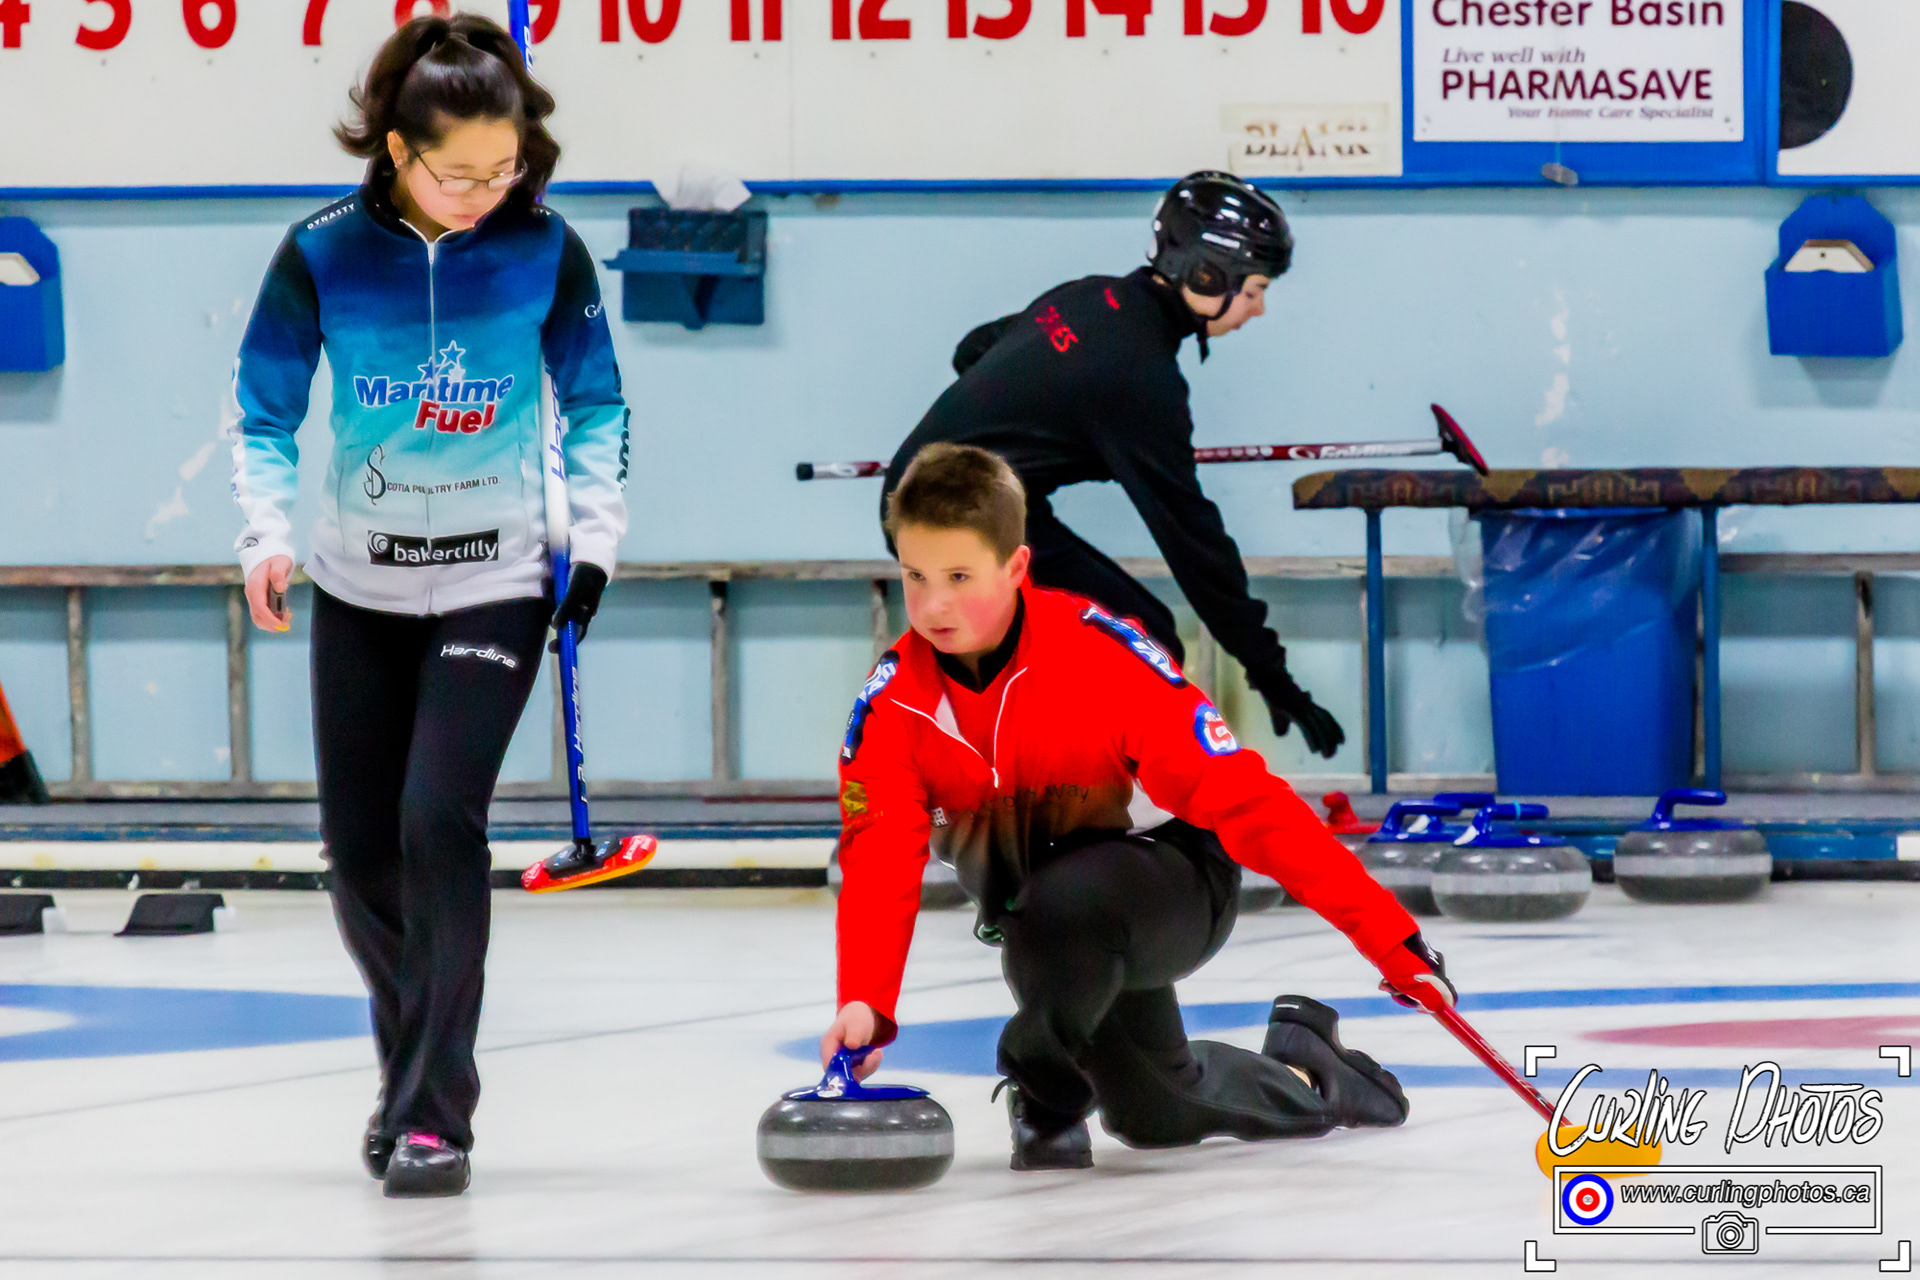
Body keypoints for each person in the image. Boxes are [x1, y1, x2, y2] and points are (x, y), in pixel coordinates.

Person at [226, 13, 628, 1198]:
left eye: (505, 170)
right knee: (358, 854)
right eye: (459, 173)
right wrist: (265, 534)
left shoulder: (547, 250)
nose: (483, 193)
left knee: (435, 818)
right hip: (360, 585)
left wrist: (592, 546)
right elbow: (262, 411)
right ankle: (411, 1074)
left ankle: (435, 1114)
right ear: (397, 146)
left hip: (495, 579)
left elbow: (597, 404)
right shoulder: (321, 254)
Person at [823, 443, 1456, 1169]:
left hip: (1175, 882)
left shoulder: (1097, 657)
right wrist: (865, 1001)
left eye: (959, 577)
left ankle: (1041, 1077)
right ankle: (1310, 1071)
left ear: (1016, 568)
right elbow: (878, 857)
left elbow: (1246, 800)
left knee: (1064, 900)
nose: (934, 604)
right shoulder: (893, 705)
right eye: (915, 577)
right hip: (1048, 927)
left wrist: (1386, 935)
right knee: (1155, 1112)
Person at [881, 171, 1344, 760]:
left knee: (1132, 630)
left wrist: (1047, 432)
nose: (1257, 310)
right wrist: (1272, 678)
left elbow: (972, 349)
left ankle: (1062, 807)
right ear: (1206, 274)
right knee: (1137, 639)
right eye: (1253, 290)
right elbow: (1196, 547)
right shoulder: (1142, 377)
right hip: (951, 516)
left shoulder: (1092, 296)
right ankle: (1059, 816)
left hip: (940, 496)